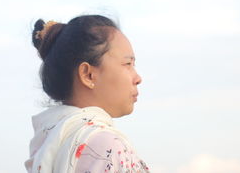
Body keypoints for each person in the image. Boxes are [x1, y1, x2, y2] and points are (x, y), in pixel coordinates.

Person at [25, 14, 150, 173]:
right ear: (88, 75)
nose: (138, 78)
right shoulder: (106, 146)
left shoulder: (49, 143)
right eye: (127, 64)